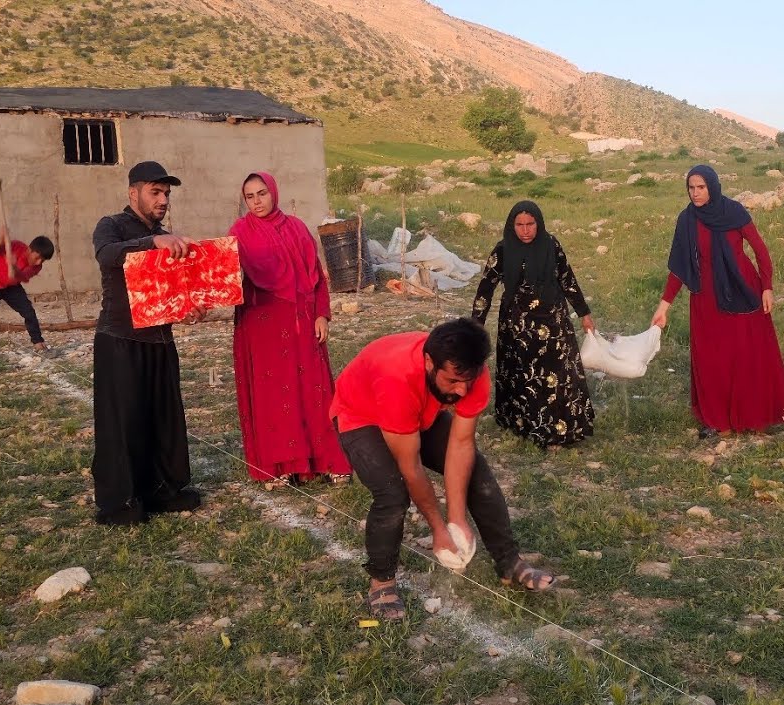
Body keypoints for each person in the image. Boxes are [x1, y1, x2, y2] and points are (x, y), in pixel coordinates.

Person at [329, 317, 557, 621]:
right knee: (392, 493)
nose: (462, 391)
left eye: (468, 382)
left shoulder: (470, 370)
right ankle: (381, 581)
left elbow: (461, 445)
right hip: (362, 414)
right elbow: (410, 467)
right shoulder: (395, 377)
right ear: (428, 363)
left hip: (418, 412)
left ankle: (509, 563)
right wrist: (438, 528)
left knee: (477, 471)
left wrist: (457, 519)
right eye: (452, 381)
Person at [90, 161, 206, 526]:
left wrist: (188, 309)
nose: (163, 200)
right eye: (155, 192)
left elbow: (170, 292)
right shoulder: (111, 226)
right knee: (123, 422)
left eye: (167, 193)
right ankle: (121, 501)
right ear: (133, 193)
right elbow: (108, 256)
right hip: (119, 340)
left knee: (162, 418)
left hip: (159, 339)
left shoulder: (167, 238)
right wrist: (151, 241)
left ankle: (163, 490)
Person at [650, 164, 784, 438]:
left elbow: (760, 250)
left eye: (701, 187)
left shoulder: (734, 211)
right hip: (706, 297)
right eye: (691, 188)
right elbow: (679, 268)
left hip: (742, 291)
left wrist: (767, 287)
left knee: (747, 354)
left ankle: (758, 416)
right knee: (711, 358)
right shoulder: (687, 219)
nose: (695, 193)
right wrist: (663, 306)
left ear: (712, 186)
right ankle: (718, 422)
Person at [228, 172, 351, 484]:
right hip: (261, 325)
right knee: (273, 395)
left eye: (262, 193)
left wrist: (321, 315)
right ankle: (280, 466)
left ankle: (327, 461)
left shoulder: (296, 228)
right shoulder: (239, 232)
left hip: (302, 322)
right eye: (250, 196)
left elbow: (317, 278)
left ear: (274, 193)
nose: (257, 202)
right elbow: (229, 277)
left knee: (314, 389)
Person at [471, 200, 596, 449]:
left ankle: (560, 427)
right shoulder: (503, 250)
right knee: (523, 374)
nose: (525, 230)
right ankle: (522, 423)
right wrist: (475, 325)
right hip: (517, 326)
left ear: (538, 224)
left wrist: (584, 312)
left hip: (554, 320)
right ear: (512, 225)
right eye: (520, 225)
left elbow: (567, 278)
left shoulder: (551, 245)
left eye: (530, 224)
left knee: (557, 373)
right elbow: (486, 288)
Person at [0, 228, 54, 360]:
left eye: (43, 260)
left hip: (10, 286)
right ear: (29, 250)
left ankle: (39, 344)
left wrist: (14, 267)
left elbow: (22, 277)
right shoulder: (15, 246)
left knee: (29, 312)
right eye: (37, 257)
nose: (39, 262)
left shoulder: (37, 267)